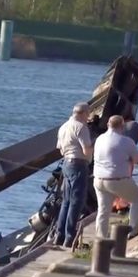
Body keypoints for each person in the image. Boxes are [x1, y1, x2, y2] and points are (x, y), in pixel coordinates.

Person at [93, 115, 138, 239]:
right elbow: (137, 159)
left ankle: (101, 238)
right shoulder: (126, 141)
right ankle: (132, 231)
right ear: (123, 126)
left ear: (108, 125)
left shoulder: (99, 139)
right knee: (137, 199)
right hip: (117, 179)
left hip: (98, 179)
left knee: (103, 209)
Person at [53, 102, 94, 248]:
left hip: (66, 164)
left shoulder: (63, 127)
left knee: (66, 201)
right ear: (83, 113)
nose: (88, 117)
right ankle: (70, 237)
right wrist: (90, 158)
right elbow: (86, 149)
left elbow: (59, 149)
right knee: (76, 202)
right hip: (78, 164)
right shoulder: (81, 127)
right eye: (88, 114)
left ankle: (59, 235)